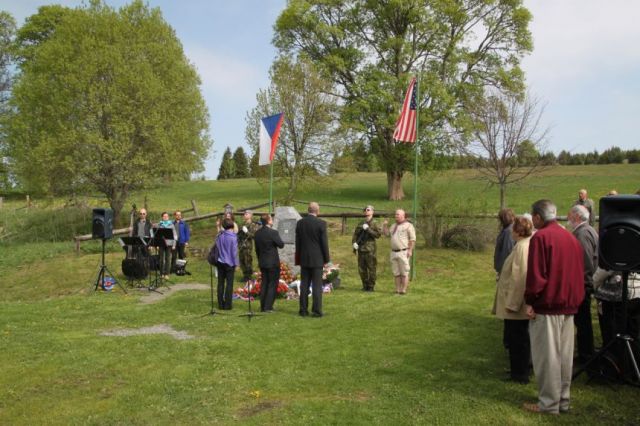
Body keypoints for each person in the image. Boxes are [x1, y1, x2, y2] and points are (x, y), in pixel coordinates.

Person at [523, 199, 584, 415]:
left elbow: (537, 276)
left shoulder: (541, 237)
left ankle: (549, 404)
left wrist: (530, 300)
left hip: (549, 305)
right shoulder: (570, 237)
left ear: (538, 217)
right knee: (564, 357)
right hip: (569, 305)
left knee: (548, 357)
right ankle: (562, 400)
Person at [493, 216, 533, 384]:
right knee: (516, 338)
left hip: (516, 306)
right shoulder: (521, 245)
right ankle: (518, 370)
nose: (510, 231)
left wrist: (512, 304)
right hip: (515, 304)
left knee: (518, 339)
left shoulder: (522, 248)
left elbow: (520, 278)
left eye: (513, 229)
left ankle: (520, 374)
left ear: (518, 231)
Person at [568, 204, 598, 365]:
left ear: (577, 217)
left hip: (583, 285)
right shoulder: (588, 230)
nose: (568, 219)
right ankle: (586, 352)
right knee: (582, 321)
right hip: (585, 283)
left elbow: (585, 262)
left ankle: (587, 354)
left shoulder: (583, 233)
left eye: (570, 216)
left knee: (583, 322)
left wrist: (582, 284)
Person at [295, 202, 330, 317]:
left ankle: (303, 310)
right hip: (317, 259)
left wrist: (298, 258)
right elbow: (324, 244)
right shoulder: (321, 223)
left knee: (304, 285)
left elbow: (298, 243)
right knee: (316, 286)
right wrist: (327, 260)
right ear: (317, 211)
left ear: (308, 210)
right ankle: (316, 311)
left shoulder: (300, 223)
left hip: (304, 258)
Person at [254, 214, 284, 312]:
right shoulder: (273, 232)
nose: (272, 220)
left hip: (262, 261)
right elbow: (281, 244)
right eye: (271, 219)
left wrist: (260, 260)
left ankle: (263, 306)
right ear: (268, 221)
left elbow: (257, 250)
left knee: (264, 283)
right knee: (272, 284)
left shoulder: (257, 233)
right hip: (272, 263)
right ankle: (268, 307)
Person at [382, 209, 416, 294]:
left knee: (404, 272)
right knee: (396, 273)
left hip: (403, 252)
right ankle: (397, 290)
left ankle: (403, 290)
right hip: (393, 252)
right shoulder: (393, 225)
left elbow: (412, 239)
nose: (396, 216)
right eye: (395, 214)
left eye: (397, 214)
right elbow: (387, 234)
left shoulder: (408, 226)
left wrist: (410, 250)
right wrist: (385, 225)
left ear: (403, 215)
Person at [352, 205, 382, 291]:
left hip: (370, 250)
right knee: (362, 269)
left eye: (368, 210)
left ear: (372, 212)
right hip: (361, 249)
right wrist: (354, 243)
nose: (366, 211)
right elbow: (356, 234)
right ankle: (365, 285)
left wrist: (368, 229)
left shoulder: (375, 223)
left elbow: (378, 235)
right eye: (365, 210)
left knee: (371, 268)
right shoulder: (361, 223)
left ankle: (371, 286)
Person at [215, 218, 239, 310]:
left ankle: (220, 304)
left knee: (220, 283)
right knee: (229, 284)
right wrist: (237, 264)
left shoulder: (220, 236)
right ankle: (228, 305)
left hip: (220, 262)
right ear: (232, 226)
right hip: (229, 263)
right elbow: (234, 252)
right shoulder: (233, 237)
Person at [238, 210, 260, 282]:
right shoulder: (242, 224)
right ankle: (245, 275)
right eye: (244, 214)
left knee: (248, 260)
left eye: (247, 214)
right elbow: (239, 234)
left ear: (251, 215)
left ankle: (249, 276)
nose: (245, 215)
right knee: (242, 260)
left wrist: (246, 232)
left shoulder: (253, 225)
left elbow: (253, 236)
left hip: (247, 245)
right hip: (241, 245)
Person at [155, 212, 177, 280]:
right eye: (164, 216)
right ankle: (162, 273)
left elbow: (175, 235)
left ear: (168, 217)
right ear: (162, 217)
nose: (165, 217)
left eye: (167, 216)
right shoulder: (159, 225)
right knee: (161, 259)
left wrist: (174, 245)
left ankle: (167, 274)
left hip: (169, 244)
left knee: (168, 259)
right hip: (161, 244)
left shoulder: (171, 225)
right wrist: (156, 245)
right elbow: (156, 235)